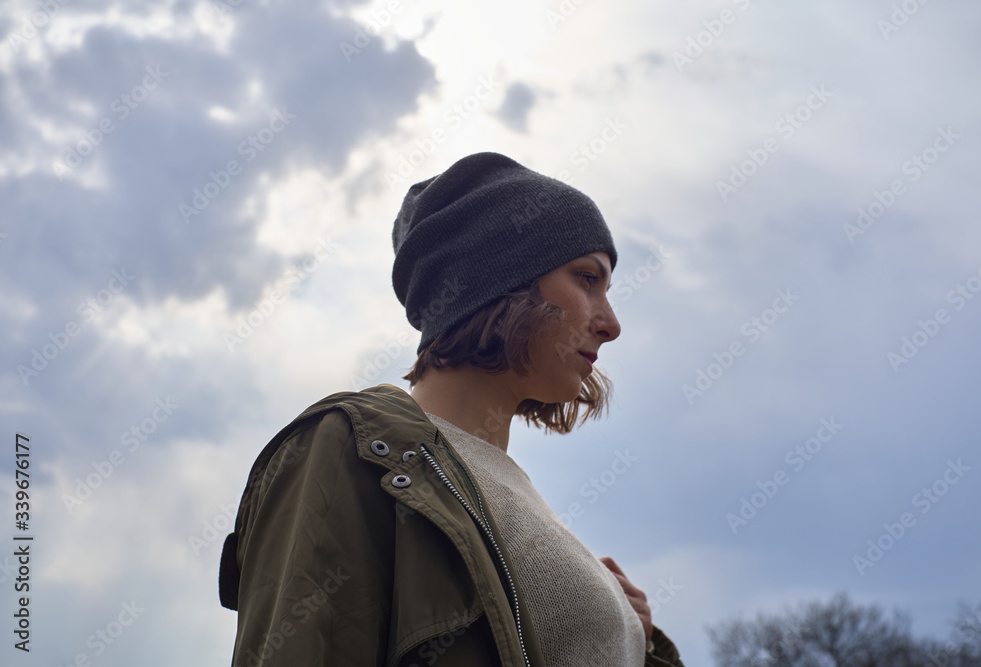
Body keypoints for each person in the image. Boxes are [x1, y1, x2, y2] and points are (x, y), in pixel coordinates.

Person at [218, 152, 686, 666]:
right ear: (500, 278)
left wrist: (639, 645)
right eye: (587, 279)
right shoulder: (351, 447)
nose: (611, 324)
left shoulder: (511, 493)